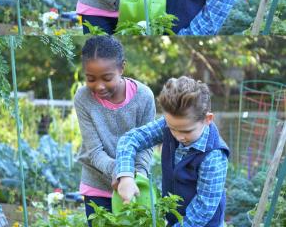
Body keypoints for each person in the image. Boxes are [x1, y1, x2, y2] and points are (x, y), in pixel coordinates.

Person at [115, 76, 229, 226]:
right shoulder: (171, 125)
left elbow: (203, 210)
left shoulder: (213, 156)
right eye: (172, 128)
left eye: (186, 131)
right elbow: (130, 139)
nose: (178, 136)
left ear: (208, 119)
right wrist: (126, 176)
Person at [74, 36, 156, 225]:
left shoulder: (144, 97)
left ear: (122, 68)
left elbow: (146, 146)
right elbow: (94, 152)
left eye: (107, 78)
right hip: (96, 183)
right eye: (90, 79)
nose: (99, 86)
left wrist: (135, 176)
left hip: (134, 183)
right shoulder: (83, 98)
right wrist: (121, 172)